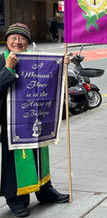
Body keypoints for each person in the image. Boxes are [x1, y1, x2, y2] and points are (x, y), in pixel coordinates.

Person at [0, 23, 70, 217]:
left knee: (40, 155)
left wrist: (61, 66)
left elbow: (52, 81)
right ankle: (16, 200)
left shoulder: (36, 59)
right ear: (7, 41)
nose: (17, 41)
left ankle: (45, 191)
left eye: (21, 38)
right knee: (15, 161)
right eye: (13, 38)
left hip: (37, 119)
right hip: (12, 123)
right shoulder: (1, 60)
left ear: (28, 42)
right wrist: (8, 69)